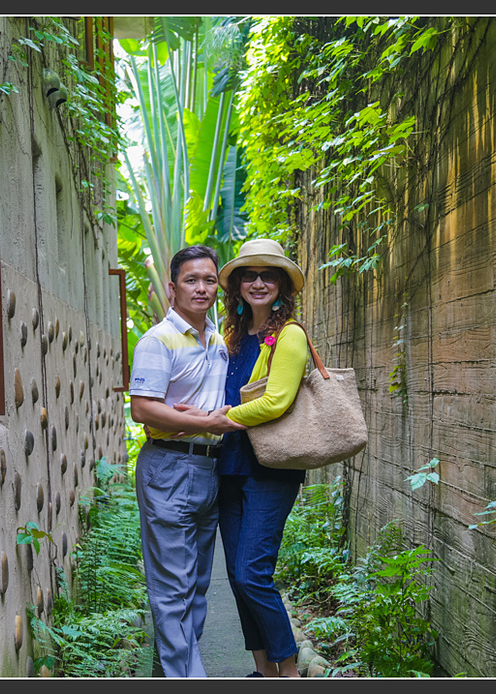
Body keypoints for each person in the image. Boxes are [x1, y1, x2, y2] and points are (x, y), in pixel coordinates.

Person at [180, 238, 309, 677]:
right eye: (248, 276)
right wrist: (195, 415)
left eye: (267, 275)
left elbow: (276, 401)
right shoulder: (233, 337)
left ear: (281, 286)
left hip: (271, 469)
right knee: (236, 577)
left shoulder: (288, 335)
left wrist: (222, 417)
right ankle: (263, 671)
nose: (258, 283)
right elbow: (218, 393)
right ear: (235, 286)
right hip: (230, 466)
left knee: (254, 573)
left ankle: (288, 671)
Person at [128, 245, 246, 678]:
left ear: (219, 286)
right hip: (169, 469)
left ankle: (171, 673)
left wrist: (193, 417)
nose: (201, 288)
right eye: (192, 280)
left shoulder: (217, 341)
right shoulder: (158, 341)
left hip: (209, 470)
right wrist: (201, 419)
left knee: (195, 588)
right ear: (173, 287)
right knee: (173, 588)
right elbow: (142, 408)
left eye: (210, 280)